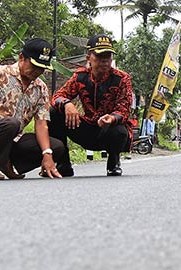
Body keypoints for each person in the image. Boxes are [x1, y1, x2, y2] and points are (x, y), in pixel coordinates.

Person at [0, 38, 66, 180]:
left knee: (56, 147)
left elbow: (41, 123)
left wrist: (47, 154)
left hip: (13, 139)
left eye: (42, 68)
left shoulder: (41, 88)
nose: (37, 71)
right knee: (11, 123)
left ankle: (5, 163)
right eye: (34, 66)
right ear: (22, 58)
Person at [49, 34, 133, 176]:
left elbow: (124, 109)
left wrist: (111, 118)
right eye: (100, 56)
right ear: (89, 58)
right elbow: (57, 97)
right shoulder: (80, 76)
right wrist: (67, 104)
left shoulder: (122, 79)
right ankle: (63, 162)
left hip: (109, 131)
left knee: (118, 130)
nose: (105, 61)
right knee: (54, 112)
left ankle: (113, 161)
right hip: (86, 129)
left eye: (108, 56)